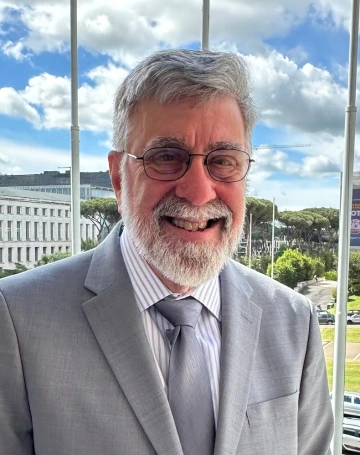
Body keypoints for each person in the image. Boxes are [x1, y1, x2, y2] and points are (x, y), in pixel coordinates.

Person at [0, 50, 333, 455]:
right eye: (166, 157)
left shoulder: (292, 321)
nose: (197, 192)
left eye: (223, 161)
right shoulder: (18, 318)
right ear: (119, 178)